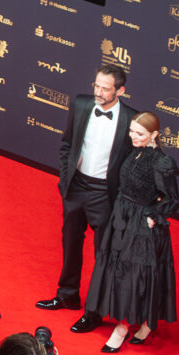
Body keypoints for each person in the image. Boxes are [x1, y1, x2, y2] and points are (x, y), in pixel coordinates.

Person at [40, 63, 140, 334]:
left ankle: (94, 312)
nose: (98, 92)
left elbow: (132, 164)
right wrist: (65, 181)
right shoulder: (81, 104)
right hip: (76, 188)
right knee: (70, 242)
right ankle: (67, 295)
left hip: (105, 195)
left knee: (103, 254)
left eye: (105, 88)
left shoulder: (131, 119)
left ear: (120, 91)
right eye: (96, 85)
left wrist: (122, 199)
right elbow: (66, 145)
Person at [84, 113, 179, 353]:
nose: (133, 136)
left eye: (140, 133)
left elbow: (172, 200)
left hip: (142, 225)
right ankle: (146, 323)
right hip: (122, 218)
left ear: (154, 135)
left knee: (134, 276)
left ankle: (122, 328)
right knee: (118, 270)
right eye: (131, 131)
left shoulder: (161, 162)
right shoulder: (134, 151)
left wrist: (153, 217)